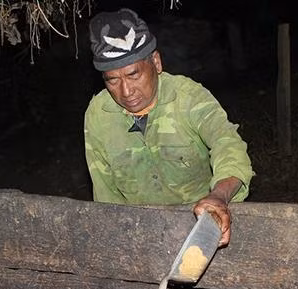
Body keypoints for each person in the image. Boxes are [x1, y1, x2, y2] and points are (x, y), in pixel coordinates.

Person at [84, 8, 254, 246]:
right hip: (142, 232)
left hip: (202, 226)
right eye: (112, 80)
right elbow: (105, 192)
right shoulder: (98, 115)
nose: (126, 91)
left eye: (134, 75)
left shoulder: (189, 98)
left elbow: (227, 143)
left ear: (155, 62)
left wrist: (219, 196)